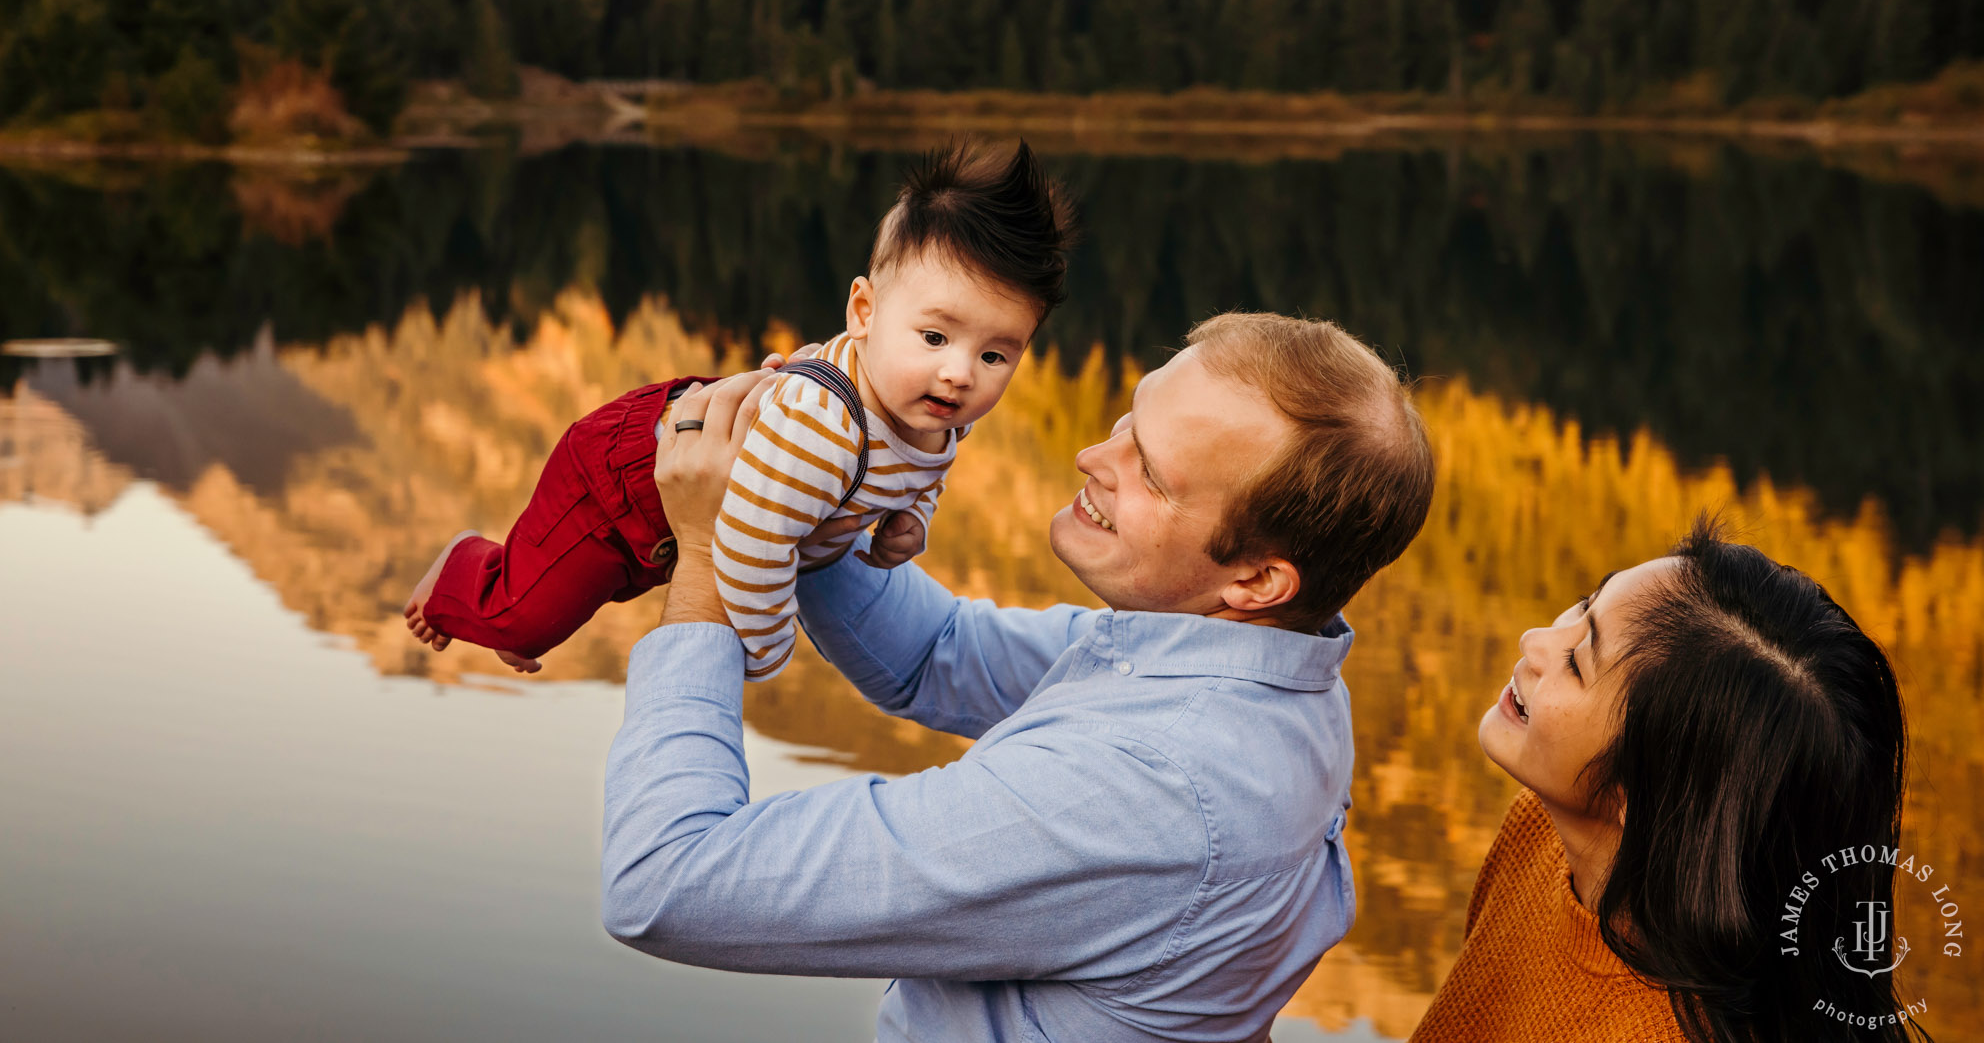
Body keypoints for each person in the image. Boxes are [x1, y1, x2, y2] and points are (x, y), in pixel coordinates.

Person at [602, 311, 1437, 1042]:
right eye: (1126, 420)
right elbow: (936, 653)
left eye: (1149, 471)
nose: (1090, 455)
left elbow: (669, 880)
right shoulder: (1267, 665)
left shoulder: (1139, 790)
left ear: (1257, 580)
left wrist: (712, 554)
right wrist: (795, 498)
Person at [401, 138, 1076, 677]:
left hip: (684, 505)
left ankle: (525, 587)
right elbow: (754, 545)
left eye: (996, 356)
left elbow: (926, 471)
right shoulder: (824, 432)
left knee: (595, 587)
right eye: (934, 337)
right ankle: (466, 574)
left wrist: (912, 521)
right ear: (864, 311)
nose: (959, 374)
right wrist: (763, 649)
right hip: (628, 477)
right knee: (527, 622)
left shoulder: (935, 411)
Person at [1410, 522, 1929, 1043]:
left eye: (1576, 663)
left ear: (1645, 797)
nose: (1534, 640)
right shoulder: (1538, 829)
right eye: (1584, 603)